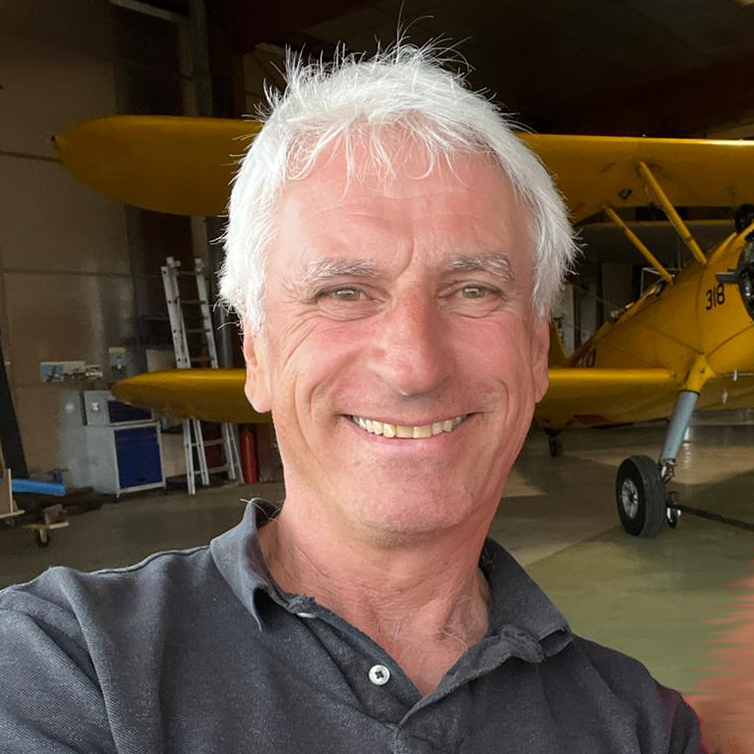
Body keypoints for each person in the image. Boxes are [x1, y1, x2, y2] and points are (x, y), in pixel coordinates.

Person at [0, 44, 704, 752]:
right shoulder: (60, 664)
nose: (414, 366)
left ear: (534, 349)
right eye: (343, 292)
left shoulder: (645, 725)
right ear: (256, 353)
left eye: (473, 290)